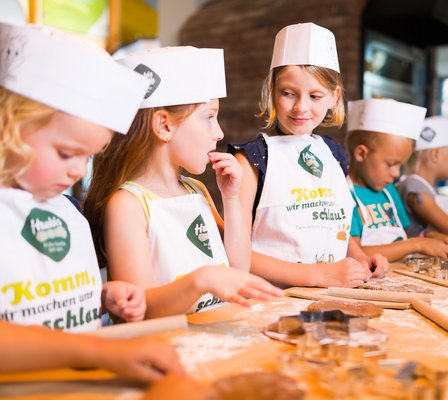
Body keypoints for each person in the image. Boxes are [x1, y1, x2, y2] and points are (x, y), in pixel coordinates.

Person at [0, 22, 182, 380]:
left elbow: (36, 296)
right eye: (66, 152)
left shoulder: (68, 211)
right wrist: (101, 350)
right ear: (8, 125)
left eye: (87, 157)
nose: (75, 172)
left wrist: (101, 297)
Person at [84, 46, 283, 319]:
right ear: (164, 126)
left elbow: (238, 268)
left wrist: (232, 199)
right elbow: (137, 309)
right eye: (209, 117)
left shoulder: (196, 190)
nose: (219, 132)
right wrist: (200, 281)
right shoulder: (127, 205)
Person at [229, 23, 386, 289]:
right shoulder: (252, 159)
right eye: (288, 93)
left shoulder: (335, 155)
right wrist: (318, 275)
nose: (301, 107)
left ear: (334, 97)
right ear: (272, 90)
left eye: (315, 96)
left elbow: (334, 228)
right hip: (271, 301)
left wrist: (360, 258)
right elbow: (235, 255)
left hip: (333, 294)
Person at [346, 99, 448, 262]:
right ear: (361, 153)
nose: (396, 174)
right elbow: (356, 252)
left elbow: (407, 233)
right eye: (390, 164)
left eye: (401, 166)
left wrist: (433, 237)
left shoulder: (388, 190)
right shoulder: (344, 194)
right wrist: (417, 244)